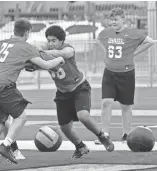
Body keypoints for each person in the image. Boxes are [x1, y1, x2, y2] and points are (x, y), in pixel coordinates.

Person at [0, 19, 65, 169]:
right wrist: (60, 58)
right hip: (3, 85)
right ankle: (6, 145)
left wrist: (22, 62)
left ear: (15, 30)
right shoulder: (26, 47)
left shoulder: (3, 43)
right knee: (21, 116)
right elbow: (47, 65)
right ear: (27, 32)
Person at [32, 25, 114, 159]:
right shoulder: (45, 51)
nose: (51, 43)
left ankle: (102, 136)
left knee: (83, 116)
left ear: (61, 41)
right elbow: (38, 54)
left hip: (79, 88)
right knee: (64, 126)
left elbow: (65, 54)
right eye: (49, 40)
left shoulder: (68, 48)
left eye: (54, 40)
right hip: (62, 93)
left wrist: (42, 52)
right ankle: (80, 146)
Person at [94, 8, 157, 144]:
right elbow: (98, 40)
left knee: (125, 105)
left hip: (126, 74)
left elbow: (150, 41)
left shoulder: (133, 33)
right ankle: (105, 134)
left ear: (123, 19)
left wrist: (134, 53)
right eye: (111, 19)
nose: (112, 22)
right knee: (105, 102)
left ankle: (127, 134)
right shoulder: (105, 33)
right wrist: (107, 53)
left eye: (115, 19)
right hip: (109, 73)